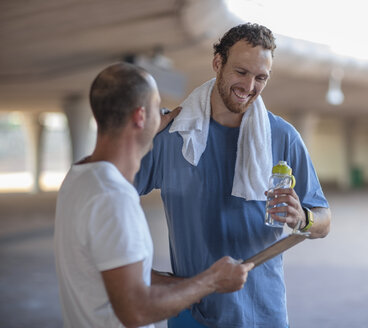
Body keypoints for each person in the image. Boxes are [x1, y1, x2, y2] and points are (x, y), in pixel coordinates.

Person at [135, 23, 332, 328]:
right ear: (218, 63)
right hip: (191, 312)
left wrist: (302, 218)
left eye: (260, 77)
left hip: (265, 314)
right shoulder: (175, 135)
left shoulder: (282, 137)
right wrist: (144, 274)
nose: (249, 86)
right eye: (241, 72)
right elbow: (111, 194)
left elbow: (324, 220)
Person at [54, 62, 254, 328]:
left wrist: (187, 284)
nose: (165, 114)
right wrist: (212, 281)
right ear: (139, 117)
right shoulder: (114, 198)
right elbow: (136, 310)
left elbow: (117, 269)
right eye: (157, 107)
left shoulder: (79, 177)